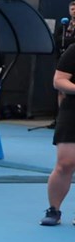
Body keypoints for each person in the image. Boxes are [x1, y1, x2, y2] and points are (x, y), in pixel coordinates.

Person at [44, 34, 75, 225]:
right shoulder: (73, 51)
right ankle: (54, 210)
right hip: (73, 111)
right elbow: (59, 81)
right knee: (65, 163)